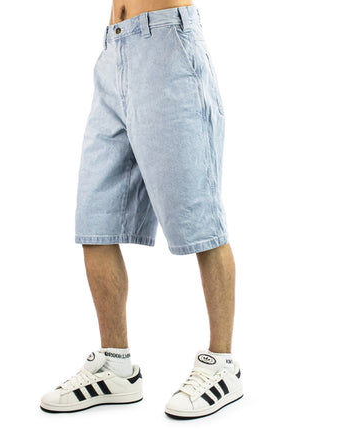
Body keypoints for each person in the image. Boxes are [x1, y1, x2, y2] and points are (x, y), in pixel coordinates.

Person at [40, 0, 243, 419]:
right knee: (95, 224)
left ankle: (223, 365)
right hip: (113, 52)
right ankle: (115, 368)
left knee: (201, 223)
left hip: (168, 48)